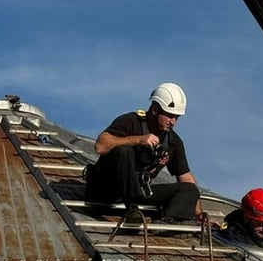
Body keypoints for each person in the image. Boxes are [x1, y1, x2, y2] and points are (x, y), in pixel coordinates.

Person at [84, 82, 201, 224]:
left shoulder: (173, 142)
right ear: (155, 110)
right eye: (170, 116)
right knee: (124, 150)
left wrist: (198, 214)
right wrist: (139, 140)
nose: (173, 122)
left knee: (190, 189)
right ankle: (131, 209)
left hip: (140, 193)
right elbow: (100, 146)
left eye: (177, 117)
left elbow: (186, 178)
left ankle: (165, 222)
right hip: (106, 190)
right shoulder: (130, 122)